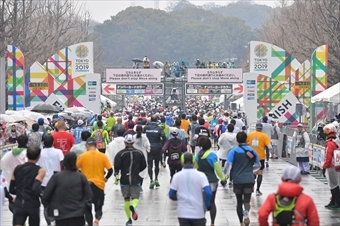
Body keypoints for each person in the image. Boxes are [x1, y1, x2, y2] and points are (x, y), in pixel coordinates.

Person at [42, 152, 93, 226]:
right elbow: (89, 196)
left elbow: (46, 196)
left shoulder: (56, 177)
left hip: (60, 215)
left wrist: (51, 207)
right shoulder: (81, 177)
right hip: (78, 214)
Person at [224, 132, 260, 226]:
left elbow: (228, 165)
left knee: (239, 201)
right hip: (249, 179)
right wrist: (251, 171)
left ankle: (241, 223)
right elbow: (258, 165)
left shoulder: (233, 151)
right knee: (247, 200)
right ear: (246, 139)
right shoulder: (252, 151)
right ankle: (246, 212)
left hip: (237, 180)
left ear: (236, 140)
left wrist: (225, 176)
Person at [77, 137, 113, 226]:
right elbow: (110, 170)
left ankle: (89, 223)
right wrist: (106, 178)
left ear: (87, 146)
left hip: (86, 186)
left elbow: (75, 169)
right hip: (99, 185)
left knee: (87, 208)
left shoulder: (82, 156)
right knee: (98, 207)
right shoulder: (102, 156)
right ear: (96, 146)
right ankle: (97, 220)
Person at [169, 152, 212, 226]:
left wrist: (179, 198)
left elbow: (171, 195)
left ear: (181, 162)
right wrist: (207, 205)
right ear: (194, 162)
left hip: (183, 213)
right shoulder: (201, 176)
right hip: (198, 213)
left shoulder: (176, 176)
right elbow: (208, 192)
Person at [114, 134, 147, 226]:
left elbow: (117, 167)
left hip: (124, 179)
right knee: (136, 198)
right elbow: (144, 165)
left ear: (125, 142)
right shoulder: (139, 153)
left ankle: (129, 220)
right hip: (136, 178)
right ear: (133, 142)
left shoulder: (120, 154)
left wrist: (116, 175)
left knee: (126, 199)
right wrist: (136, 171)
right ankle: (134, 205)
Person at [9, 146, 46, 226]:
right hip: (33, 204)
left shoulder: (16, 168)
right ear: (39, 156)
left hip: (19, 203)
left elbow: (11, 189)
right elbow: (35, 188)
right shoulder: (40, 170)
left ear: (26, 155)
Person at [196, 136, 227, 226]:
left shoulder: (198, 155)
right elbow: (217, 169)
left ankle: (202, 220)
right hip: (212, 181)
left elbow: (196, 167)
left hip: (200, 181)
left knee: (201, 202)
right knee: (212, 202)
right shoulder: (212, 155)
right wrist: (223, 178)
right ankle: (212, 223)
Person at [37, 135, 64, 226]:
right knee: (58, 202)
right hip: (56, 181)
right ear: (53, 142)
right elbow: (62, 163)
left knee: (46, 204)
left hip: (43, 182)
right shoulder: (58, 152)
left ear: (43, 142)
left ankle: (49, 222)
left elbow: (36, 166)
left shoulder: (39, 153)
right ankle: (57, 220)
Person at [247, 123, 272, 196]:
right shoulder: (264, 136)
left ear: (255, 128)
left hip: (251, 157)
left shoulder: (250, 135)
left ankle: (251, 187)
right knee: (260, 173)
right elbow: (270, 147)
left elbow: (244, 143)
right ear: (261, 128)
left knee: (253, 173)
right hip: (260, 157)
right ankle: (258, 190)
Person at [144, 114, 166, 189]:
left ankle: (151, 180)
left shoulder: (146, 128)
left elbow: (143, 137)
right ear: (157, 120)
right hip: (157, 147)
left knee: (150, 165)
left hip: (149, 148)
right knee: (157, 164)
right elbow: (164, 137)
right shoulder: (159, 128)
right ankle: (156, 179)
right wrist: (161, 143)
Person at [322, 123, 340, 209]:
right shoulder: (337, 141)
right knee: (336, 184)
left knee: (333, 185)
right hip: (337, 166)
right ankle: (334, 201)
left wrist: (324, 167)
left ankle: (335, 202)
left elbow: (328, 156)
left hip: (331, 167)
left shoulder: (330, 143)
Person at [132, 125, 150, 192]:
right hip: (143, 154)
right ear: (142, 130)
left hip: (134, 154)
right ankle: (140, 186)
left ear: (135, 130)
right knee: (142, 169)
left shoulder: (133, 137)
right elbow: (147, 145)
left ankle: (135, 185)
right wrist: (148, 150)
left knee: (135, 169)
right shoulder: (144, 137)